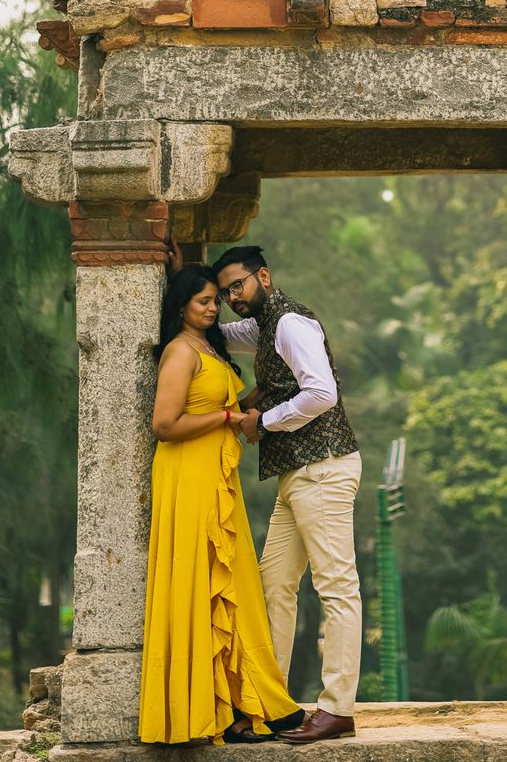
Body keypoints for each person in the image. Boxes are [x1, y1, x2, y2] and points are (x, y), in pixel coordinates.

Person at [139, 263, 305, 746]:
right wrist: (228, 415)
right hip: (187, 477)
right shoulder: (179, 351)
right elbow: (165, 425)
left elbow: (222, 408)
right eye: (204, 301)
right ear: (182, 307)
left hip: (215, 475)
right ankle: (213, 714)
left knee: (231, 583)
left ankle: (247, 704)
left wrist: (270, 389)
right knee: (202, 584)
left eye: (216, 300)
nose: (214, 308)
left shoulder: (207, 348)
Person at [213, 244, 362, 746]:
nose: (233, 297)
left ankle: (337, 709)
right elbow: (219, 332)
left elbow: (321, 393)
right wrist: (184, 285)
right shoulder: (261, 324)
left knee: (337, 588)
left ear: (264, 276)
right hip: (298, 475)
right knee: (273, 585)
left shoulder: (291, 323)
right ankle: (270, 704)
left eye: (239, 285)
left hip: (323, 469)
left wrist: (263, 421)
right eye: (225, 290)